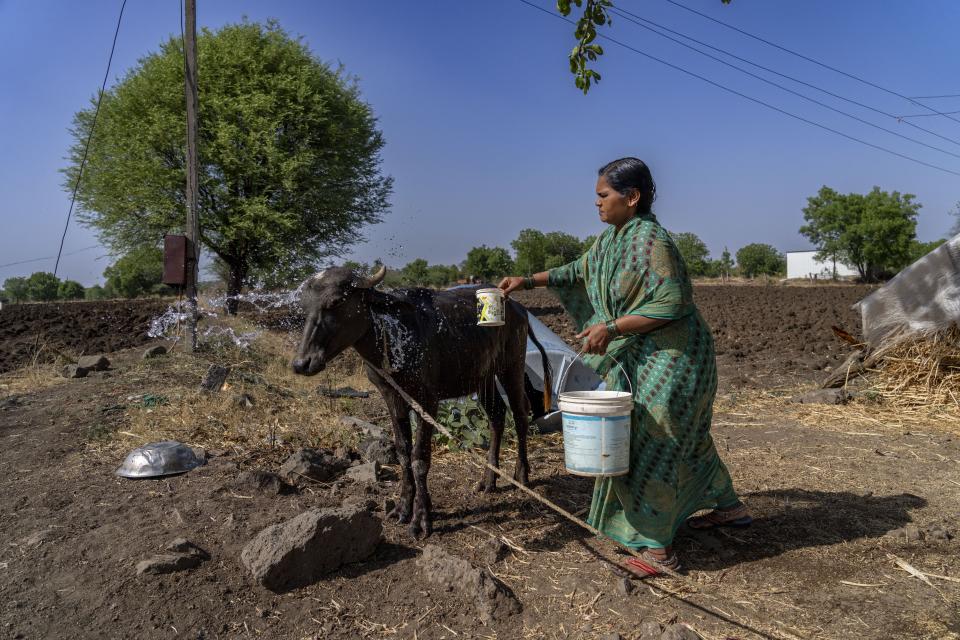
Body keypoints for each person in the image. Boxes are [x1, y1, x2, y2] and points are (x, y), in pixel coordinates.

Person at [499, 157, 750, 576]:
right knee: (684, 439)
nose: (596, 203)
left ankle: (659, 552)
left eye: (603, 195)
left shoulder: (652, 242)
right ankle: (731, 508)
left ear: (631, 197)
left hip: (674, 360)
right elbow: (577, 270)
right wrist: (525, 281)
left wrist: (612, 327)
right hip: (644, 354)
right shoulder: (613, 240)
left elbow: (674, 303)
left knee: (651, 441)